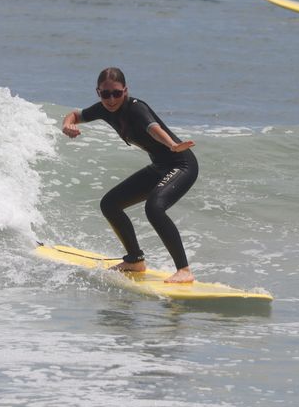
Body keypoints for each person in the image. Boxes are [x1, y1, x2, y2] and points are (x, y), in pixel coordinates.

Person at [61, 68, 198, 283]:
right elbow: (76, 115)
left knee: (154, 208)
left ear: (125, 90)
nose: (111, 99)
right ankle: (134, 260)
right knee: (110, 204)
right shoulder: (103, 109)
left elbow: (153, 128)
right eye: (105, 94)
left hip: (182, 165)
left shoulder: (136, 108)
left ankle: (184, 270)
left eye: (116, 93)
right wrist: (67, 124)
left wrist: (172, 144)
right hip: (160, 166)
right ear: (98, 92)